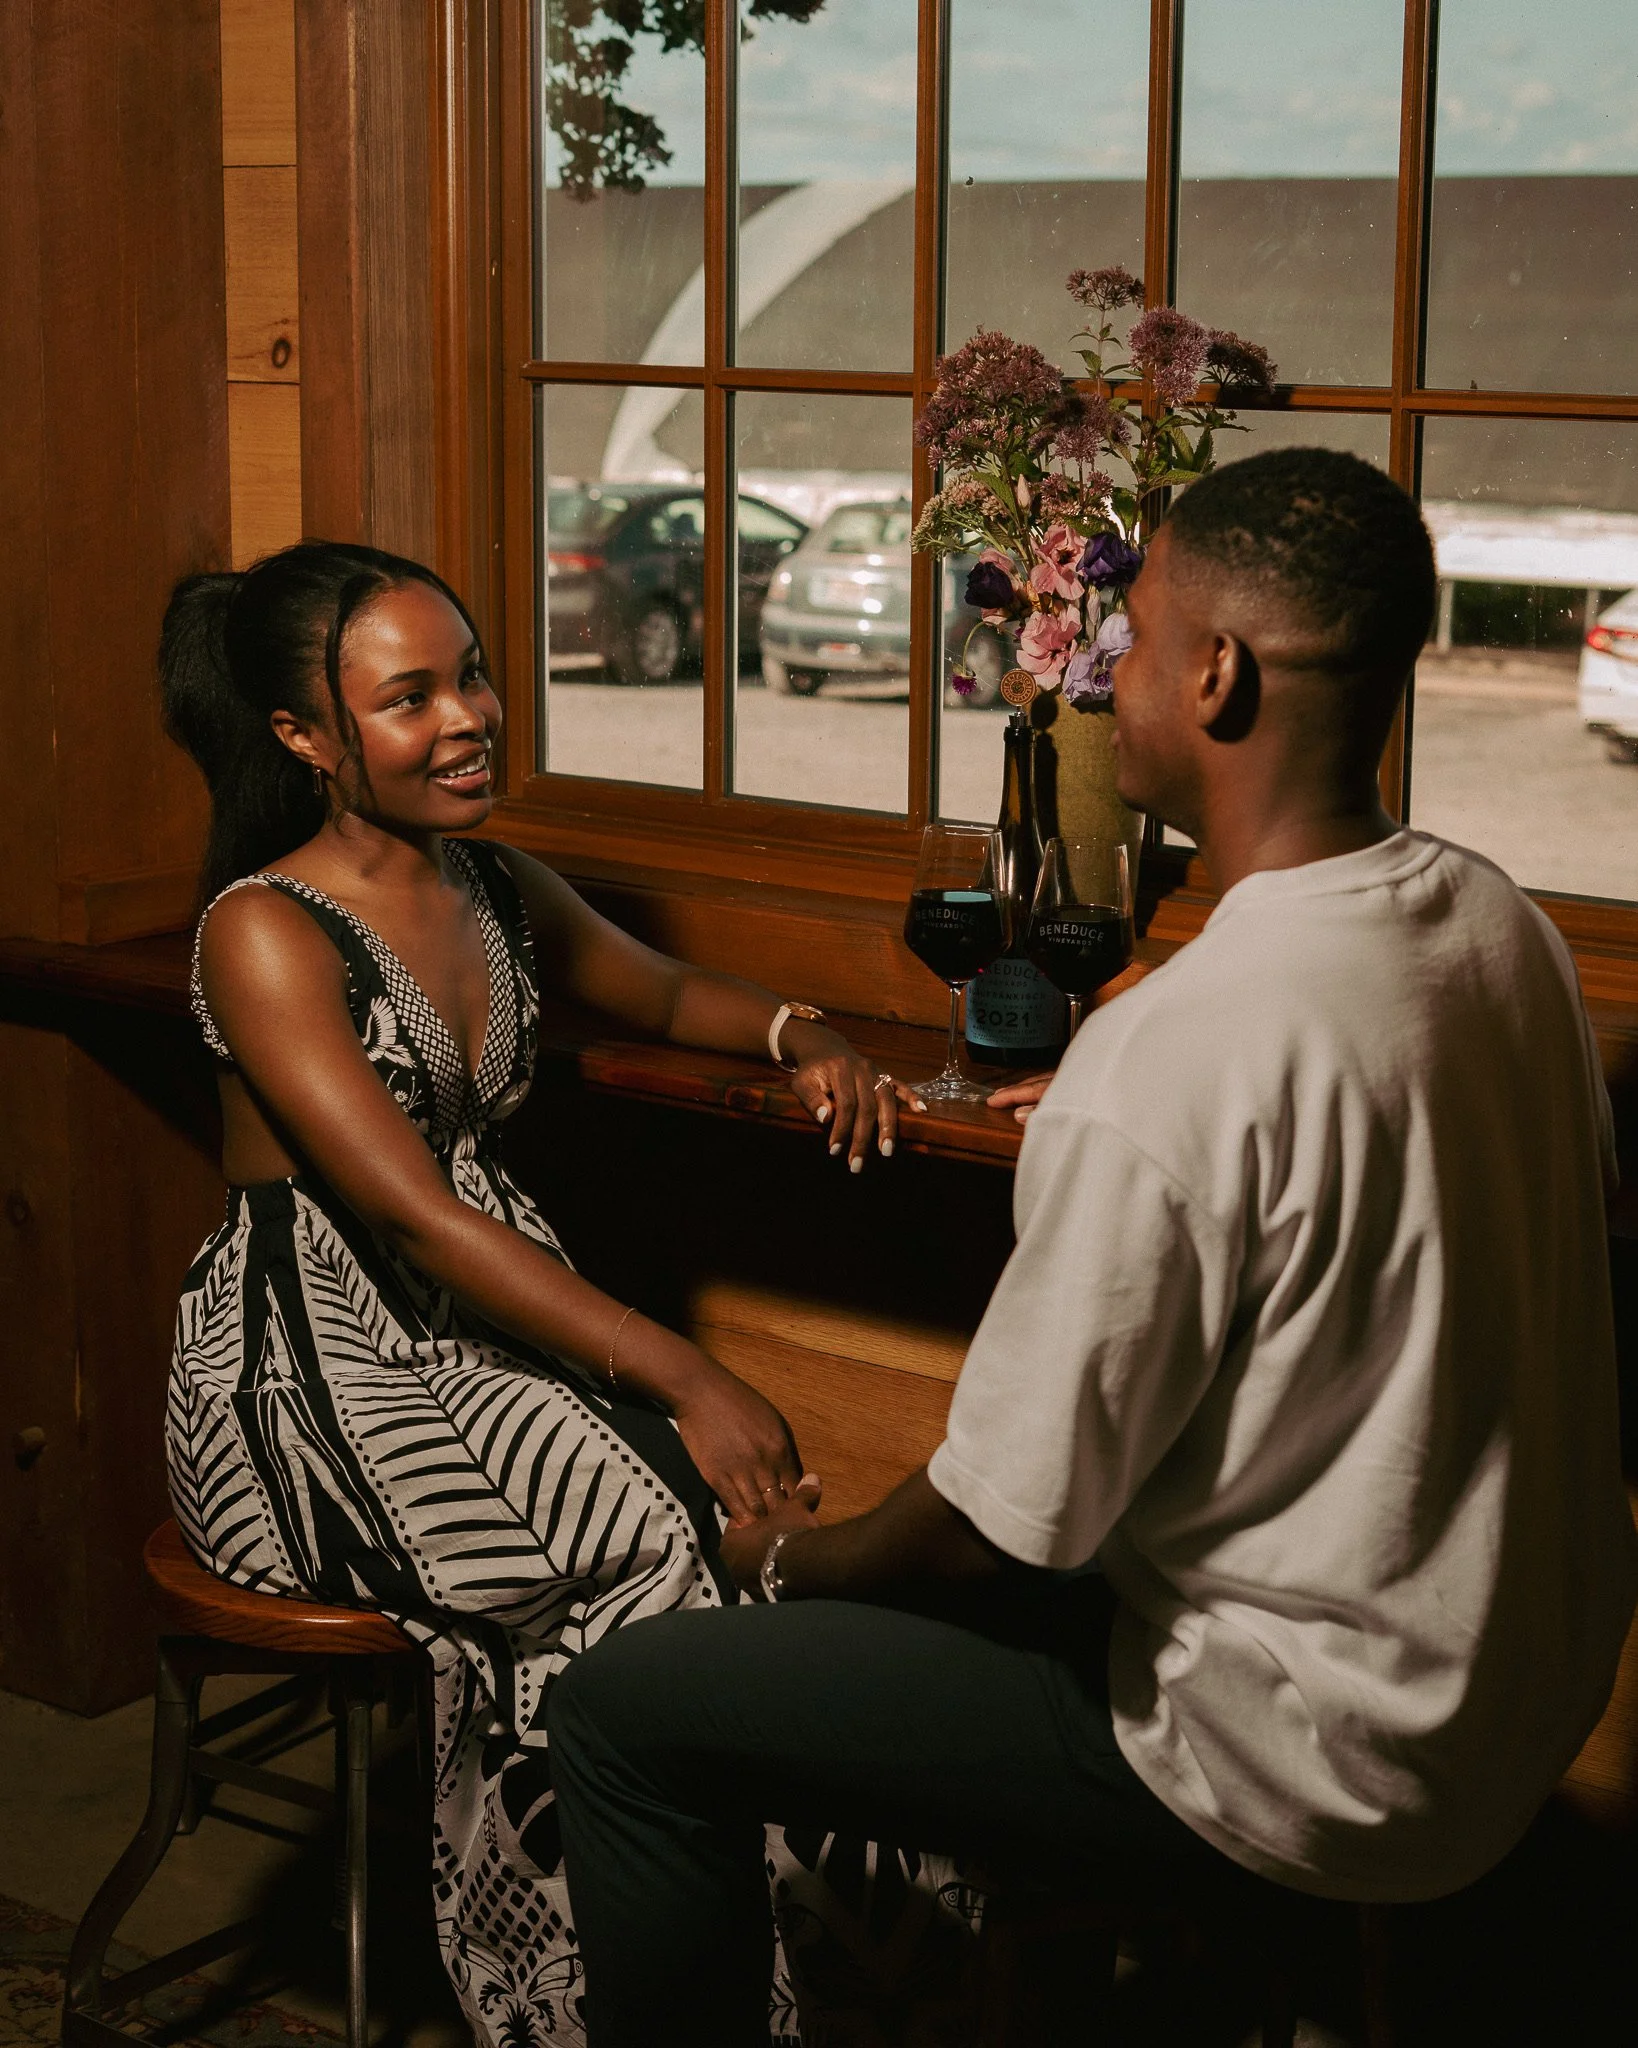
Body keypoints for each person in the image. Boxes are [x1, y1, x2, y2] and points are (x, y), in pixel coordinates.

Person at [544, 448, 1638, 2045]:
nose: (1102, 675)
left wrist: (783, 1560)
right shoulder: (1501, 928)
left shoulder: (1182, 1052)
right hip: (1507, 1696)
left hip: (1304, 1763)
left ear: (1218, 673)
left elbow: (1000, 1536)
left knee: (625, 1709)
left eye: (1128, 645)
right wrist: (1152, 1127)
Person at [158, 540, 926, 2046]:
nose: (468, 717)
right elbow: (420, 1223)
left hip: (482, 1335)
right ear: (305, 739)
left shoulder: (492, 886)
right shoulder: (261, 928)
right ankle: (602, 1994)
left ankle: (783, 1965)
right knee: (659, 1525)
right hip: (302, 1376)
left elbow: (656, 987)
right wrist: (687, 1373)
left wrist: (800, 1026)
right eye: (407, 698)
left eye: (475, 673)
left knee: (718, 1537)